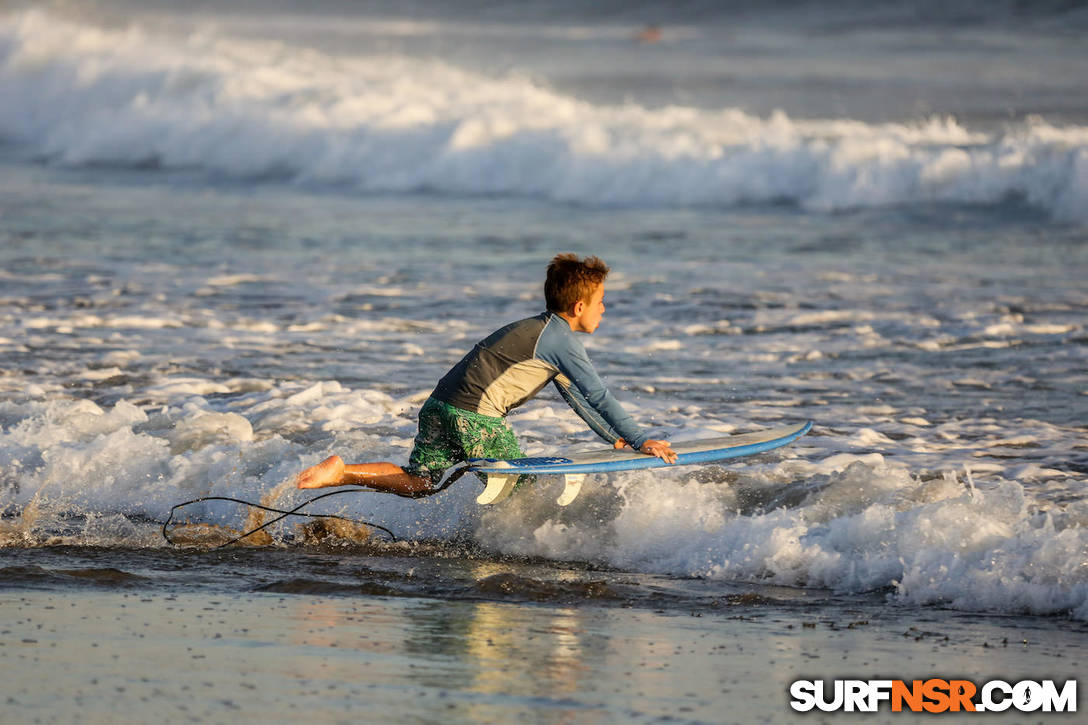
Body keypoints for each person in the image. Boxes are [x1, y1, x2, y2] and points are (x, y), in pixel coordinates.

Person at [295, 253, 677, 494]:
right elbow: (598, 395)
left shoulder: (540, 332)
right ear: (579, 306)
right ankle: (520, 550)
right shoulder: (561, 341)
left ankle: (342, 472)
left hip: (440, 404)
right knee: (522, 487)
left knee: (421, 482)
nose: (604, 309)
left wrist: (614, 437)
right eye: (601, 302)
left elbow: (576, 397)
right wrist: (642, 439)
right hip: (474, 416)